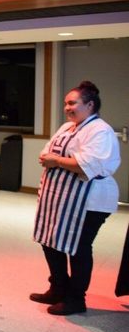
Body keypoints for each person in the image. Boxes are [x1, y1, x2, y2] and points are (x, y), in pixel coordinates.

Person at [31, 81, 121, 315]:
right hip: (60, 197)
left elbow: (87, 165)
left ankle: (76, 299)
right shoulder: (66, 127)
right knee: (50, 240)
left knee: (78, 247)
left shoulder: (100, 130)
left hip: (90, 201)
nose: (67, 108)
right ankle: (58, 288)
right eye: (65, 103)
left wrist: (57, 161)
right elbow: (45, 153)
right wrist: (60, 160)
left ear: (90, 105)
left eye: (72, 103)